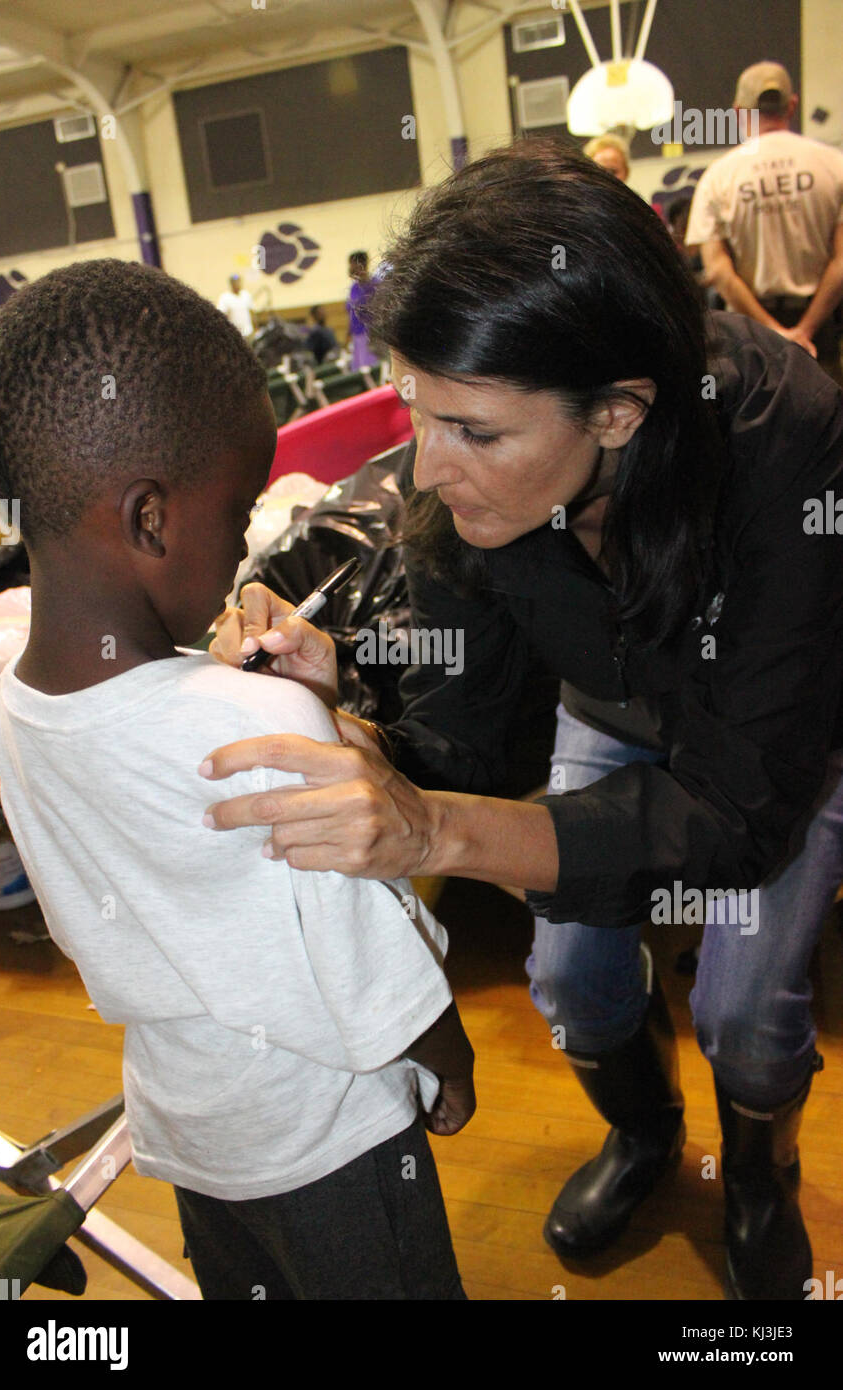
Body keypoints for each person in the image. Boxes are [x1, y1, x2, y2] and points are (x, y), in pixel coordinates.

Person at [199, 141, 843, 1303]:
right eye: (415, 410)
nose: (424, 470)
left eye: (473, 432)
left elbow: (734, 814)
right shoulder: (467, 493)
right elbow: (465, 746)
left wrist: (432, 832)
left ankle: (754, 1172)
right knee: (571, 983)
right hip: (615, 704)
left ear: (615, 413)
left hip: (774, 731)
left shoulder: (788, 447)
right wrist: (331, 689)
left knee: (747, 1013)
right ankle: (646, 1136)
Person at [0, 259, 474, 1302]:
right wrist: (450, 1053)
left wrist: (294, 698)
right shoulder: (256, 721)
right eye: (241, 509)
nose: (249, 538)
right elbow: (365, 955)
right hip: (329, 1139)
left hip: (190, 1133)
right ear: (151, 519)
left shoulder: (16, 709)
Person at [687, 61, 843, 384]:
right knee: (827, 425)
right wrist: (805, 330)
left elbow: (717, 270)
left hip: (748, 330)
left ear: (739, 112)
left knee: (757, 428)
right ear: (792, 104)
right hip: (820, 325)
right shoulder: (834, 164)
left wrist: (774, 331)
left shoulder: (719, 175)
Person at [346, 251, 379, 370]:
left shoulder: (375, 286)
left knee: (372, 373)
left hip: (371, 337)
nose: (349, 268)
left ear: (361, 264)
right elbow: (351, 314)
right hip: (357, 338)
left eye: (352, 264)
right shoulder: (354, 287)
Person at [217, 273, 256, 338]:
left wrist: (255, 329)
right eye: (235, 282)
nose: (237, 284)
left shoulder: (246, 295)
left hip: (248, 332)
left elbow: (252, 312)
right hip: (235, 334)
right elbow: (222, 315)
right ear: (231, 284)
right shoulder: (225, 297)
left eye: (238, 282)